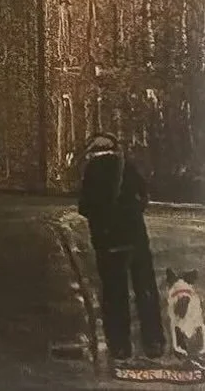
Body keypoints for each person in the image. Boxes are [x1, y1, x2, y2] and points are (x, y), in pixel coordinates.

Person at [78, 132, 165, 363]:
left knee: (114, 294)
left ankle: (120, 347)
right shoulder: (128, 167)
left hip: (109, 242)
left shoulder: (92, 173)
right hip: (135, 238)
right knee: (145, 289)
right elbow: (143, 197)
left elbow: (84, 207)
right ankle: (154, 342)